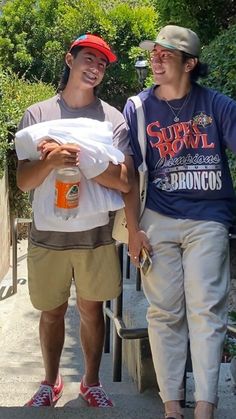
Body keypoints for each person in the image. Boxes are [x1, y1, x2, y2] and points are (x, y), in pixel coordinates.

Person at [123, 25, 236, 419]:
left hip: (209, 217)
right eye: (154, 52)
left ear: (189, 63)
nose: (155, 58)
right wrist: (132, 229)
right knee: (164, 312)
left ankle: (205, 406)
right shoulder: (137, 108)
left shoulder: (219, 106)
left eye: (165, 54)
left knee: (205, 309)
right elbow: (128, 173)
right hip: (157, 217)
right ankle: (172, 407)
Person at [16, 33, 134, 408]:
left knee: (91, 309)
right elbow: (23, 182)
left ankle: (91, 382)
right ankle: (50, 383)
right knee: (50, 312)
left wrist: (85, 159)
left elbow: (124, 180)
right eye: (89, 59)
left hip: (96, 234)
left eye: (102, 64)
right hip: (47, 234)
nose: (95, 68)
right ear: (70, 60)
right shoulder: (37, 115)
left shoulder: (112, 118)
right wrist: (50, 162)